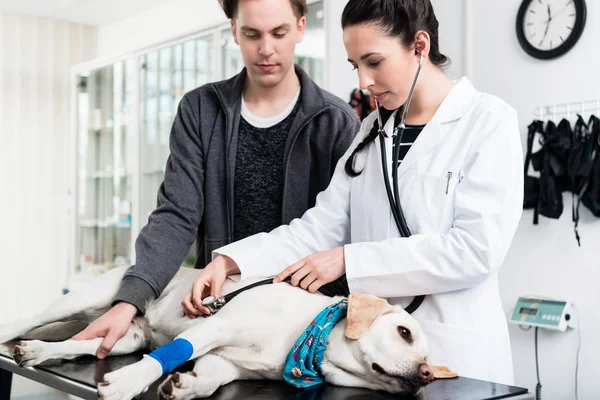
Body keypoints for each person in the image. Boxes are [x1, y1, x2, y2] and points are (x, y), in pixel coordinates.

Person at [184, 0, 524, 386]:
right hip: (376, 358)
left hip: (456, 354)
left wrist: (350, 260)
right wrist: (231, 261)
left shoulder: (487, 123)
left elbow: (475, 251)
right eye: (355, 65)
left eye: (374, 62)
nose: (363, 81)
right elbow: (315, 231)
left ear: (420, 46)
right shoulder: (371, 132)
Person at [72, 0, 360, 359]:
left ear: (301, 27)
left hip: (298, 323)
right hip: (213, 311)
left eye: (279, 33)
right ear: (234, 31)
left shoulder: (336, 123)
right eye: (252, 34)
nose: (266, 49)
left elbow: (342, 233)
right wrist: (131, 300)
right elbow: (176, 215)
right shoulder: (200, 110)